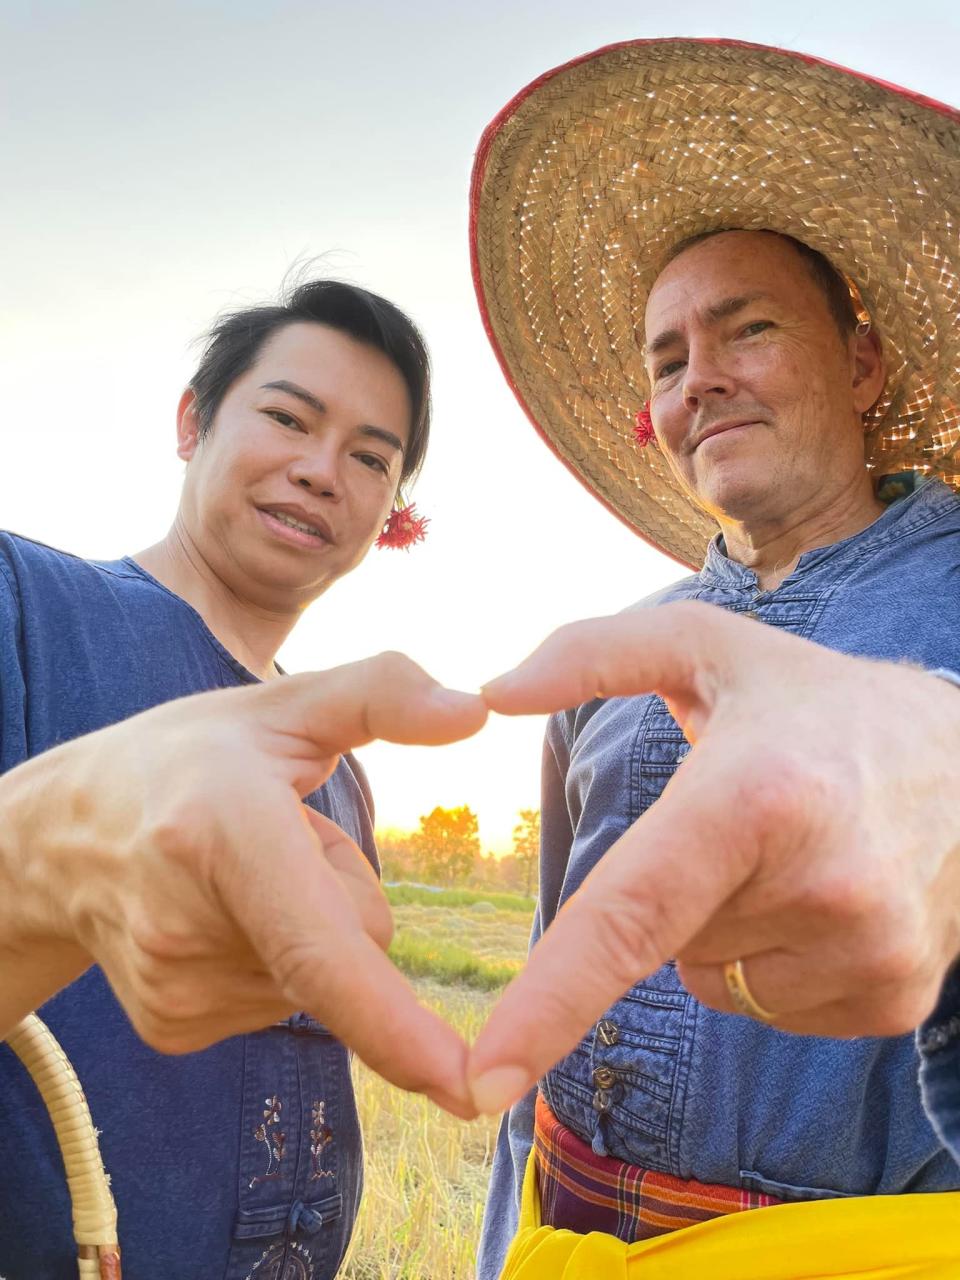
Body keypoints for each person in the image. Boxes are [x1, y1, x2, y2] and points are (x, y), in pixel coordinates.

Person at [468, 37, 960, 1278]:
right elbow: (549, 995)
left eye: (747, 330)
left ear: (862, 362)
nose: (703, 381)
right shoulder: (613, 665)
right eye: (669, 360)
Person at [0, 279, 486, 1279]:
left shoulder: (342, 770)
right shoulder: (26, 609)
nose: (321, 471)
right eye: (287, 417)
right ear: (193, 420)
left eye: (368, 457)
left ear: (392, 509)